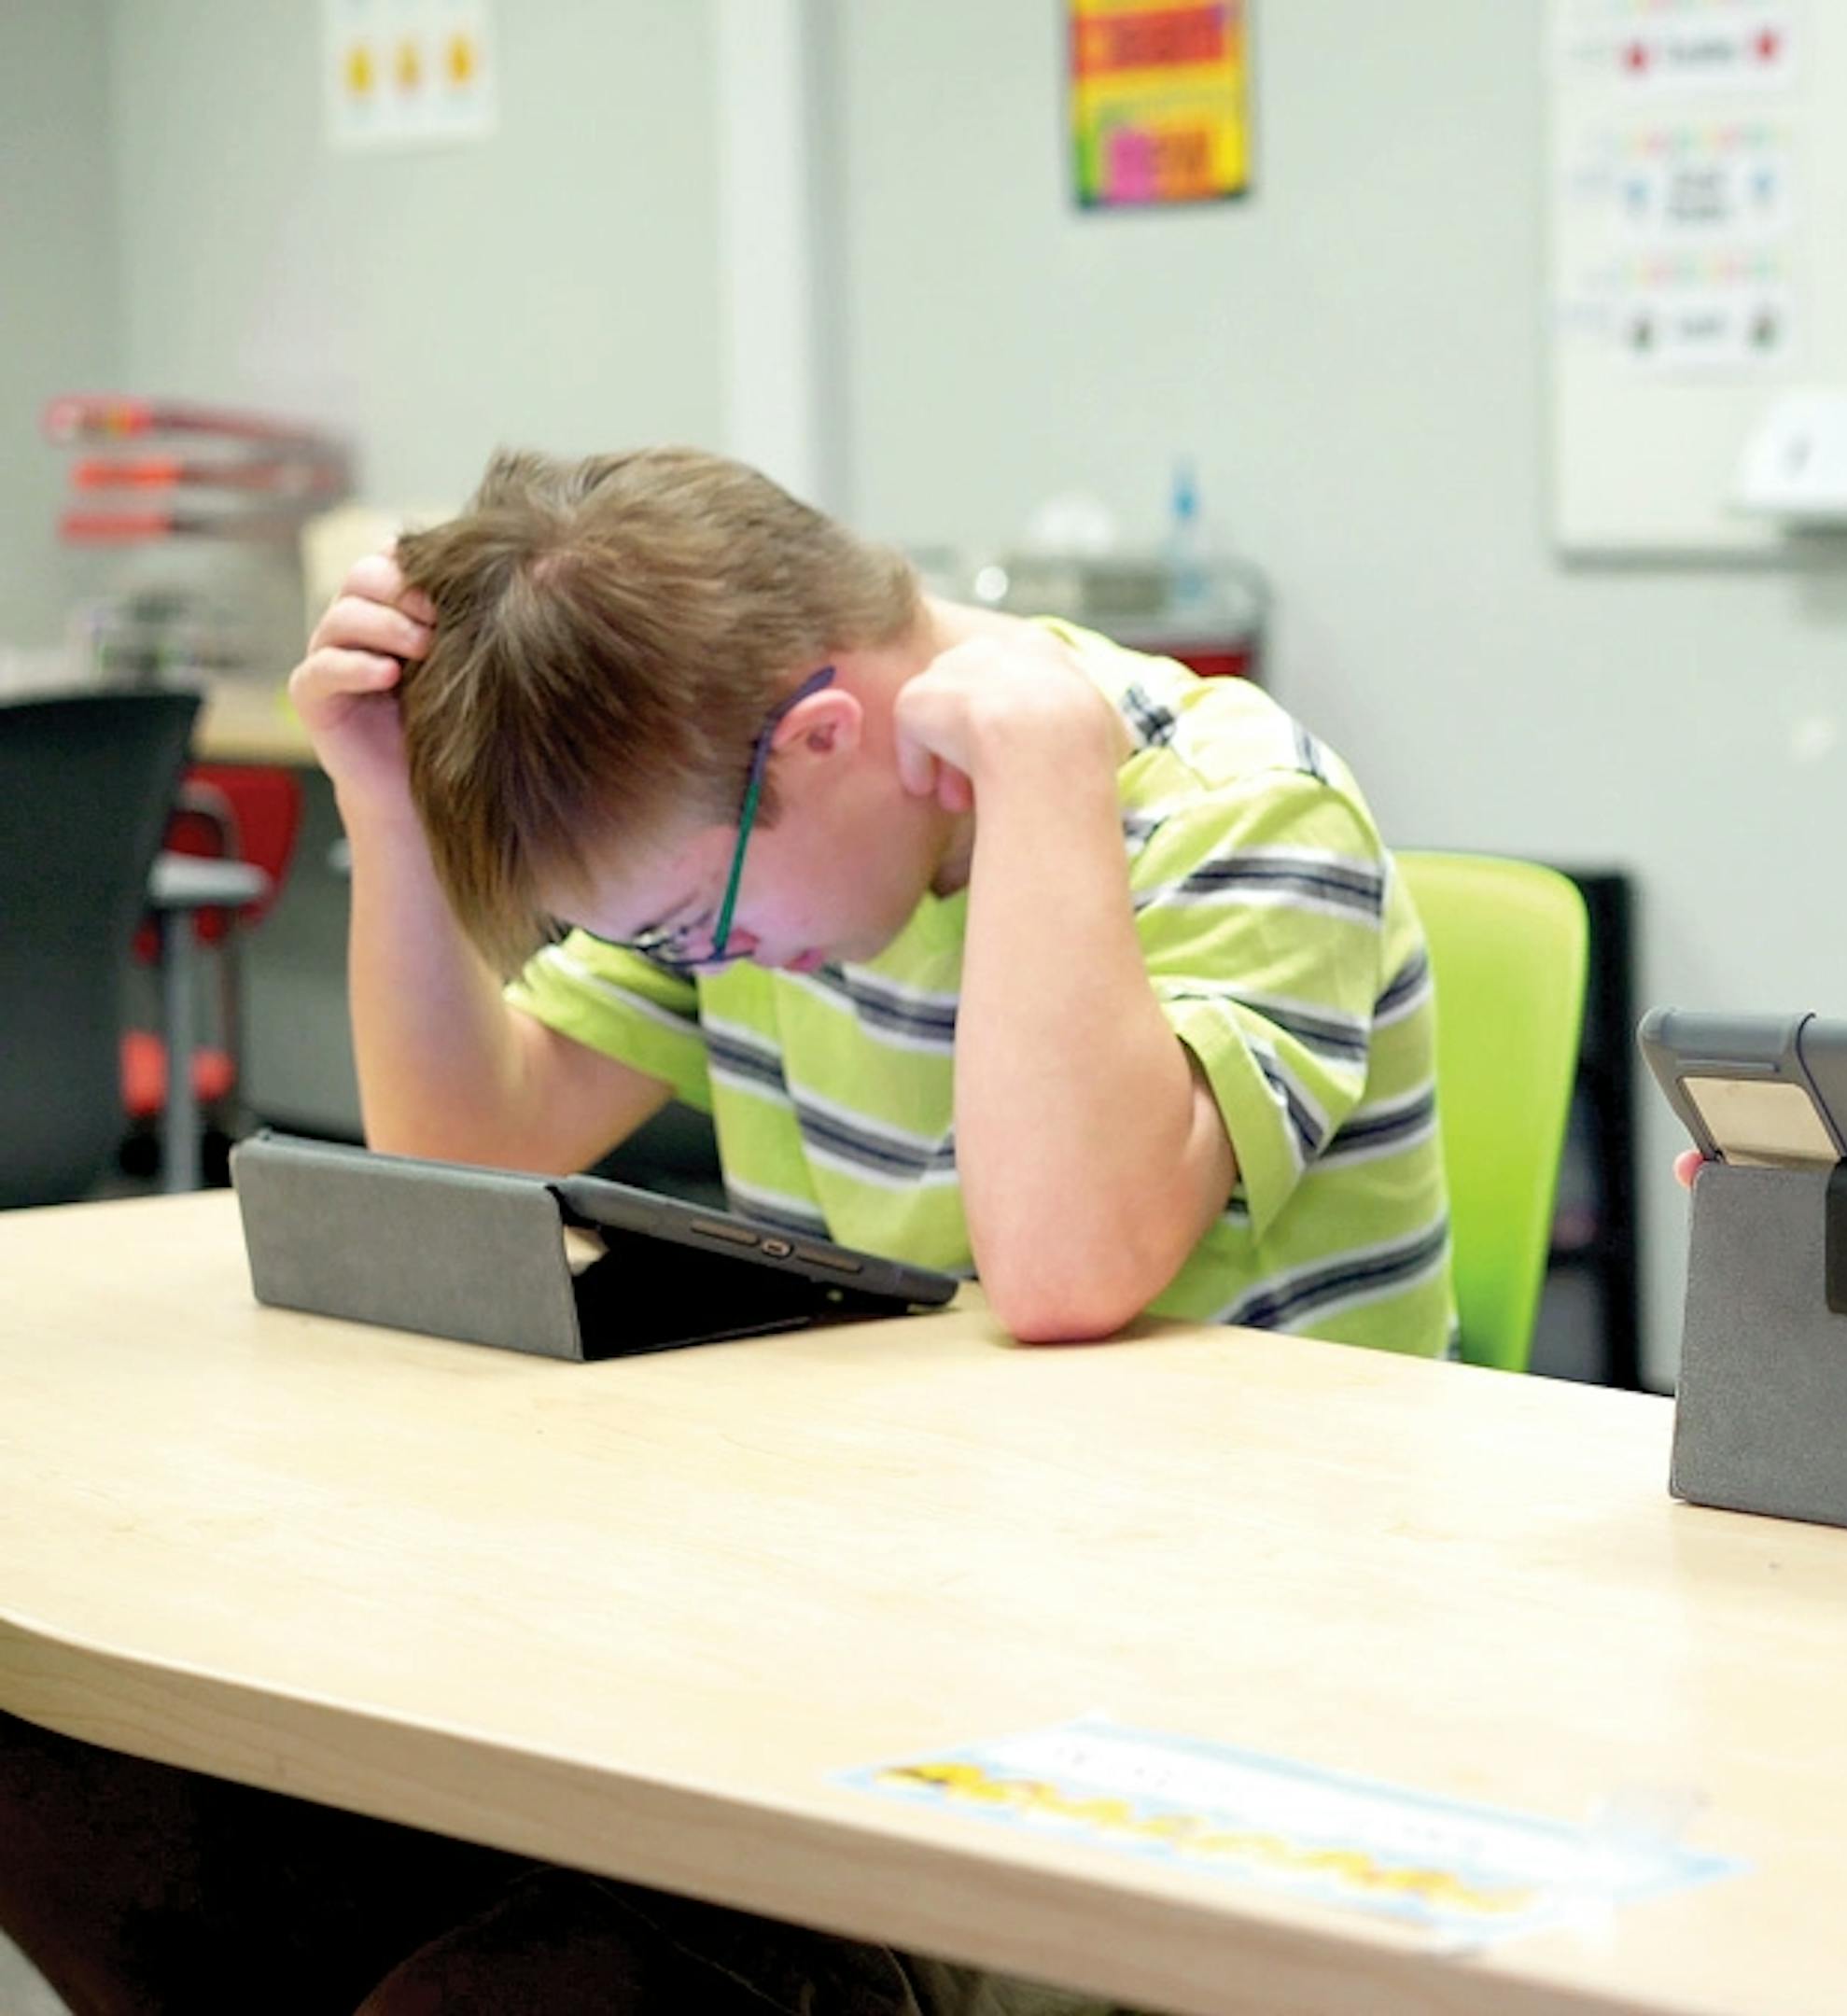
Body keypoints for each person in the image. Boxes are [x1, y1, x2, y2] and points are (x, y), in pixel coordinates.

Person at [0, 444, 1454, 2012]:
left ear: (823, 741)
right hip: (855, 1617)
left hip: (1192, 1703)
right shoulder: (759, 822)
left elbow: (1063, 1272)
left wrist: (1043, 785)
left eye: (698, 927)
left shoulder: (1229, 806)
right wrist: (386, 803)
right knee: (104, 1797)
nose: (709, 959)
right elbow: (467, 1156)